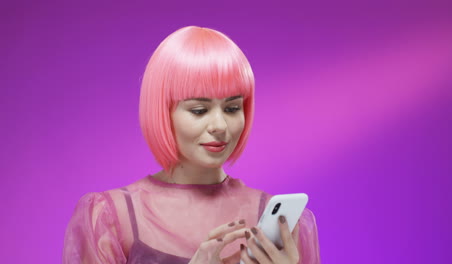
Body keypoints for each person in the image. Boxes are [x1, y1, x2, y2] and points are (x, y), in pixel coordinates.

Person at [62, 26, 321, 264]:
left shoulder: (283, 224)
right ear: (162, 112)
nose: (220, 125)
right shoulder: (111, 217)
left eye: (232, 108)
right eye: (199, 110)